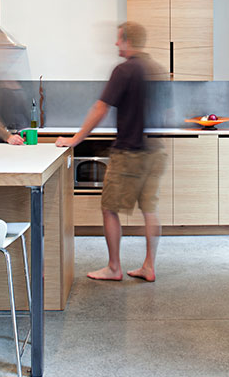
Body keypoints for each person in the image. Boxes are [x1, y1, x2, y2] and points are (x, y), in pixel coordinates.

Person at [56, 21, 164, 282]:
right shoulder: (154, 69)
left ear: (127, 40)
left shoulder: (124, 70)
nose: (116, 44)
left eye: (118, 39)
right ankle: (149, 266)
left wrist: (75, 139)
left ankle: (114, 267)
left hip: (129, 153)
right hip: (154, 151)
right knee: (149, 209)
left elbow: (100, 108)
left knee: (109, 208)